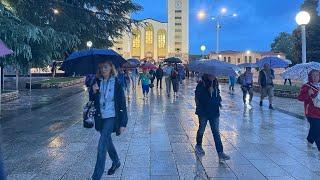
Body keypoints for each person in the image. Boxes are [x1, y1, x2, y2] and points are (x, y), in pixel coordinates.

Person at [91, 61, 128, 179]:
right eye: (101, 67)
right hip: (100, 117)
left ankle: (96, 177)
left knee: (102, 144)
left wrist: (123, 123)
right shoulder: (97, 82)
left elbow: (122, 104)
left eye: (105, 67)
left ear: (111, 68)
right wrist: (94, 92)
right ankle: (116, 161)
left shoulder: (116, 83)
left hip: (111, 116)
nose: (103, 69)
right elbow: (92, 101)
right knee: (107, 141)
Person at [194, 74, 230, 162]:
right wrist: (208, 91)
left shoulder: (215, 83)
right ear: (207, 75)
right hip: (203, 112)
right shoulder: (201, 84)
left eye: (214, 75)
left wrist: (217, 99)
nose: (213, 76)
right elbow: (199, 98)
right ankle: (198, 145)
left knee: (216, 132)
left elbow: (218, 97)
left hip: (214, 112)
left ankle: (220, 152)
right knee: (201, 129)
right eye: (211, 75)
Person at [298, 70, 320, 154]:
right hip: (311, 112)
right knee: (317, 129)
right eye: (313, 75)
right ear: (310, 76)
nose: (315, 77)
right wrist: (308, 93)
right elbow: (300, 98)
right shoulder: (306, 86)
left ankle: (310, 140)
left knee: (315, 128)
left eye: (317, 75)